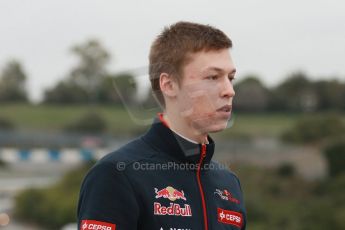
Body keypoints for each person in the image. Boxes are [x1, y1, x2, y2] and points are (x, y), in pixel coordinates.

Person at [77, 21, 246, 230]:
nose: (229, 90)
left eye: (231, 78)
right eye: (213, 77)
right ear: (169, 85)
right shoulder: (116, 174)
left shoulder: (228, 182)